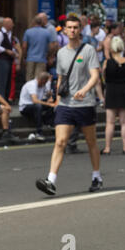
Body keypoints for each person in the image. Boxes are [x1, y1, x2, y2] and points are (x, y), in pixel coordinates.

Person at [35, 16, 103, 196]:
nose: (72, 30)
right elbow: (61, 78)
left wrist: (85, 89)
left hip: (85, 103)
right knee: (60, 142)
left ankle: (96, 176)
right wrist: (57, 100)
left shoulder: (88, 50)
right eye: (69, 28)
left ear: (80, 29)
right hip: (66, 104)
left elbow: (95, 75)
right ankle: (51, 180)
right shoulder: (61, 53)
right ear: (64, 30)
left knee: (90, 142)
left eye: (75, 28)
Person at [100, 36, 125, 155]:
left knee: (110, 122)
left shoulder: (107, 62)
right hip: (124, 90)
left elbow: (104, 77)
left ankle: (107, 148)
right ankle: (124, 147)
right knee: (124, 122)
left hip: (111, 91)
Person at [18, 72, 55, 141]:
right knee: (38, 106)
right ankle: (39, 132)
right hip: (25, 107)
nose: (45, 83)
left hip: (35, 105)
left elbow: (48, 94)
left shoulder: (43, 85)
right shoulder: (32, 85)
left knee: (52, 105)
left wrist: (50, 98)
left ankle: (49, 123)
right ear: (42, 80)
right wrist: (48, 104)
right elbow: (35, 100)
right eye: (45, 82)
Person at [22, 15, 52, 82]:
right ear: (41, 23)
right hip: (42, 59)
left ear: (33, 22)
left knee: (29, 79)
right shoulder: (47, 32)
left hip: (30, 58)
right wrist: (49, 56)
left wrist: (24, 56)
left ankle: (30, 92)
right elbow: (51, 46)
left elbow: (24, 46)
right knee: (39, 80)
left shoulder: (28, 32)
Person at [0, 17, 17, 100]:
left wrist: (14, 52)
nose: (13, 25)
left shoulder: (10, 34)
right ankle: (1, 102)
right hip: (2, 60)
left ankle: (6, 100)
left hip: (8, 60)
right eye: (11, 23)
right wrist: (6, 51)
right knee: (2, 82)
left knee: (8, 82)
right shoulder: (0, 34)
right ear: (7, 24)